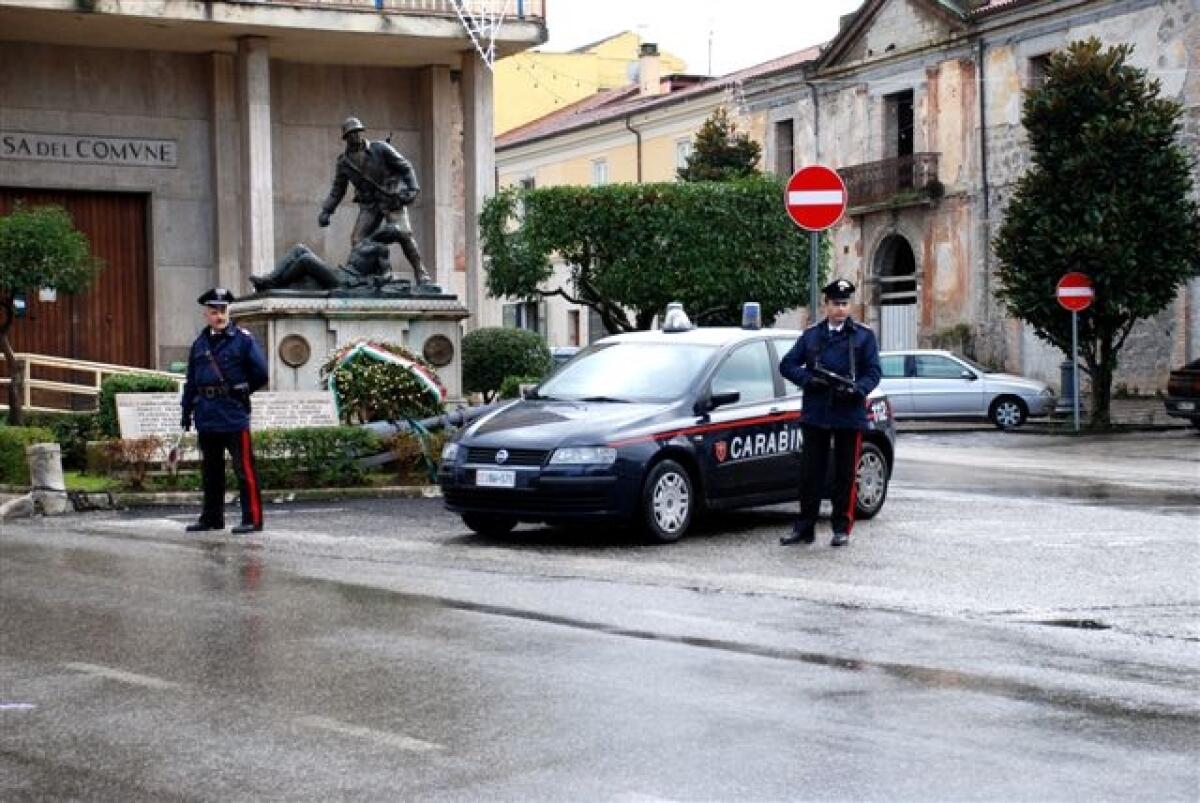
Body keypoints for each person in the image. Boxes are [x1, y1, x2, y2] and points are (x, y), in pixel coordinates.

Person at [778, 278, 882, 548]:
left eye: (845, 304)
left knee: (845, 474)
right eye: (836, 304)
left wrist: (858, 390)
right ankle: (805, 528)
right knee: (810, 473)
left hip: (849, 412)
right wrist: (808, 380)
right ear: (825, 305)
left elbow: (874, 372)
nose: (840, 309)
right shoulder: (812, 335)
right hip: (817, 411)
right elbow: (787, 364)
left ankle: (841, 528)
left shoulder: (863, 335)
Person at [181, 288, 269, 534]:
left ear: (228, 312)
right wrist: (186, 411)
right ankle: (212, 518)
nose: (219, 316)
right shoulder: (199, 344)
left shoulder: (243, 340)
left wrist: (243, 391)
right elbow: (191, 381)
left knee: (244, 470)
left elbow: (261, 373)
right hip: (207, 414)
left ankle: (253, 519)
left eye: (223, 311)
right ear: (206, 314)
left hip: (233, 413)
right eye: (214, 311)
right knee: (211, 471)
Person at [318, 116, 432, 286]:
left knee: (404, 235)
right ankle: (377, 274)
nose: (355, 136)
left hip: (390, 198)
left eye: (357, 132)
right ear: (345, 138)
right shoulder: (344, 162)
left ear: (362, 132)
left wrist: (412, 189)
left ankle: (421, 274)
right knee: (358, 241)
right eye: (351, 134)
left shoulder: (381, 148)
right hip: (369, 204)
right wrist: (327, 210)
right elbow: (338, 189)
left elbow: (405, 167)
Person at [249, 223, 404, 292]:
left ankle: (274, 283)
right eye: (389, 228)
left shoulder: (381, 249)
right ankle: (270, 279)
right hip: (339, 273)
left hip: (344, 283)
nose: (387, 230)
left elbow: (387, 274)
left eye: (391, 233)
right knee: (299, 248)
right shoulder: (364, 241)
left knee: (306, 260)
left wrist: (379, 280)